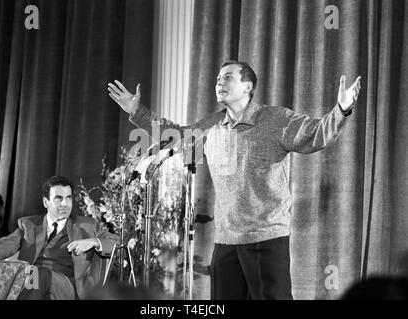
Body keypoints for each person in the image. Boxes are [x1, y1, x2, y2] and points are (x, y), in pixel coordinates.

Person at [107, 61, 362, 300]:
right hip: (226, 241)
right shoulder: (213, 125)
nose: (220, 82)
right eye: (218, 78)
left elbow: (317, 134)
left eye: (228, 77)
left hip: (266, 238)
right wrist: (137, 112)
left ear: (248, 86)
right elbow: (177, 137)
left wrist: (341, 109)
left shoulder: (275, 119)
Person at [0, 176, 119, 300]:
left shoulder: (87, 225)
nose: (65, 203)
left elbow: (118, 241)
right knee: (26, 275)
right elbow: (8, 242)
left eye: (68, 198)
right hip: (32, 283)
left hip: (69, 287)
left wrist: (93, 241)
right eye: (58, 198)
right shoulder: (29, 224)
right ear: (45, 202)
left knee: (39, 272)